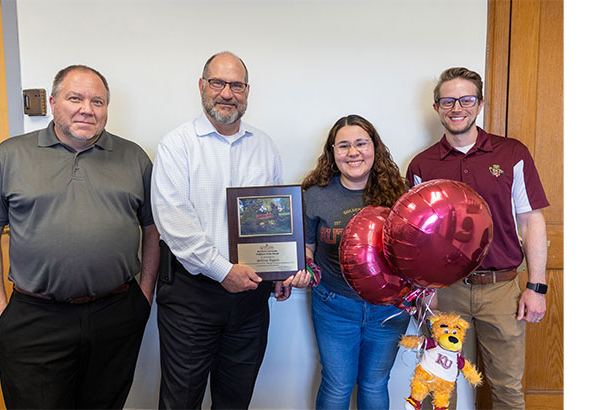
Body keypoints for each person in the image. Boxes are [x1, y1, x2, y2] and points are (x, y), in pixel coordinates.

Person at [0, 64, 159, 409]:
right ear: (54, 103)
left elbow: (152, 230)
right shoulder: (10, 156)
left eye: (98, 101)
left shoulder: (134, 158)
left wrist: (143, 297)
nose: (87, 109)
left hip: (115, 314)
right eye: (76, 98)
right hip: (35, 318)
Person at [151, 51, 292, 409]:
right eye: (218, 83)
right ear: (202, 86)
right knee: (181, 401)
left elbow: (274, 217)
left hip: (250, 299)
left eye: (236, 85)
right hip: (191, 299)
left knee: (235, 400)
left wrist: (279, 268)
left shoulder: (264, 146)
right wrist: (222, 270)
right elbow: (174, 223)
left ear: (247, 91)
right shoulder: (176, 145)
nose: (227, 93)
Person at [405, 67, 549, 410]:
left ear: (480, 103)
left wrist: (537, 286)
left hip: (502, 291)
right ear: (437, 107)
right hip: (445, 293)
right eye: (448, 100)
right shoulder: (422, 165)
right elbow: (413, 236)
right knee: (439, 388)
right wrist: (425, 290)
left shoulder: (512, 154)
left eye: (466, 99)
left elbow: (530, 222)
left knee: (507, 389)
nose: (457, 107)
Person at [291, 114, 411, 409]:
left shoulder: (400, 195)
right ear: (332, 152)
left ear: (375, 148)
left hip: (388, 310)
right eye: (343, 146)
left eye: (361, 143)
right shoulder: (315, 195)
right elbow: (306, 249)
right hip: (334, 306)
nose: (353, 152)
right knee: (337, 384)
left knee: (374, 383)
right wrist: (305, 270)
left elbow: (414, 253)